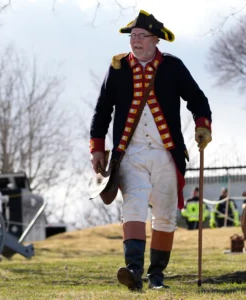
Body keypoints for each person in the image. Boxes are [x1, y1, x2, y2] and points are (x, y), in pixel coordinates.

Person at [89, 10, 212, 290]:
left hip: (166, 154)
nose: (135, 42)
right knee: (132, 206)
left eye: (141, 36)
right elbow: (102, 109)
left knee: (166, 213)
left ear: (156, 39)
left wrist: (202, 126)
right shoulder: (118, 68)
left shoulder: (173, 67)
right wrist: (97, 147)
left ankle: (156, 276)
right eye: (132, 37)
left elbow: (197, 99)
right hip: (130, 154)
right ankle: (133, 271)